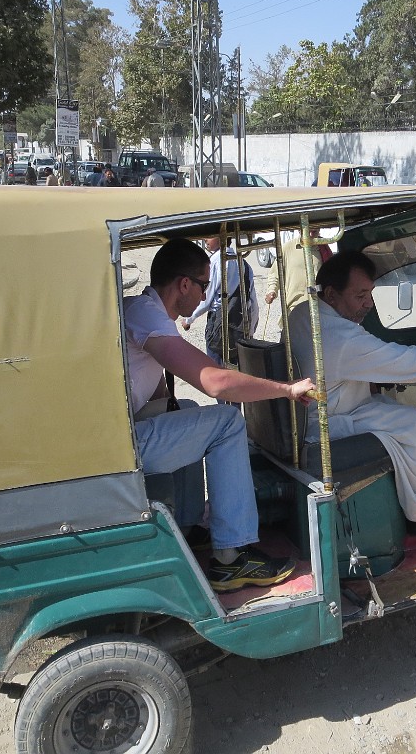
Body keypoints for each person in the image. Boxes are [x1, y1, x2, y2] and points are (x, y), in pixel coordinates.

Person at [123, 239, 315, 591]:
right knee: (227, 422)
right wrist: (286, 389)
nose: (204, 296)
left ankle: (188, 524)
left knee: (189, 410)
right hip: (120, 445)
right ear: (184, 284)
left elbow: (158, 393)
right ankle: (231, 559)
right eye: (203, 286)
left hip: (121, 432)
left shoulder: (141, 310)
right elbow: (215, 381)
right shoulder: (146, 315)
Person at [287, 251, 416, 535]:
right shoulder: (341, 337)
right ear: (331, 295)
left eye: (370, 294)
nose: (368, 304)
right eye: (360, 296)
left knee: (389, 406)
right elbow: (404, 362)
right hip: (326, 423)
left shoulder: (303, 313)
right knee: (413, 421)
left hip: (319, 411)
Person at [181, 237, 260, 364]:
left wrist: (189, 318)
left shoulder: (215, 262)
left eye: (210, 236)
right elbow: (252, 300)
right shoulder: (243, 263)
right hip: (240, 325)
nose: (205, 239)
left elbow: (206, 296)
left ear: (222, 237)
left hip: (218, 326)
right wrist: (251, 329)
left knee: (217, 367)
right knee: (237, 370)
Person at [264, 227, 332, 327]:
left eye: (314, 229)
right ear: (299, 229)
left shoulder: (324, 250)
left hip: (319, 311)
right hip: (293, 310)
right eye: (307, 229)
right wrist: (272, 291)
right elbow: (275, 274)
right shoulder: (287, 248)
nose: (311, 233)